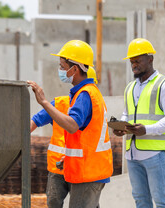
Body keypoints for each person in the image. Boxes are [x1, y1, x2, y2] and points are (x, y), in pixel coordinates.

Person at [28, 40, 113, 208]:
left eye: (62, 66)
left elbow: (73, 125)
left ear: (75, 69)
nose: (60, 70)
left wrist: (44, 102)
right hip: (85, 170)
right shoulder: (86, 94)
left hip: (88, 171)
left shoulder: (85, 95)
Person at [113, 38, 165, 208]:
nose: (134, 65)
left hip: (154, 155)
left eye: (137, 60)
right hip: (132, 155)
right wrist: (122, 127)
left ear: (150, 59)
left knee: (162, 202)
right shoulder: (130, 87)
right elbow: (127, 113)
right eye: (131, 61)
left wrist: (148, 129)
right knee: (141, 202)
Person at [30, 67, 98, 208]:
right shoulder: (60, 104)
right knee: (54, 202)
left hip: (81, 167)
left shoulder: (95, 108)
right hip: (58, 167)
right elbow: (35, 121)